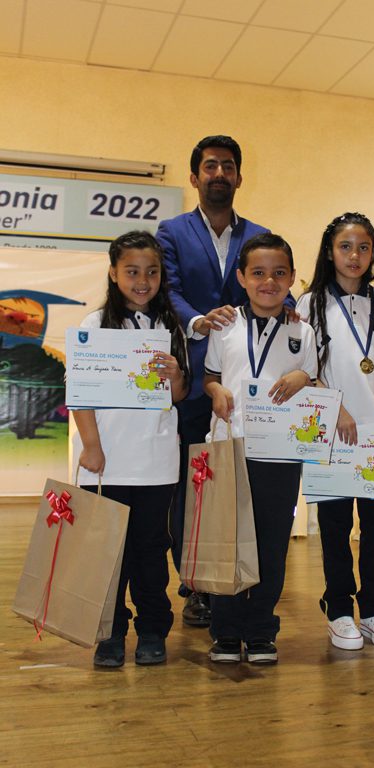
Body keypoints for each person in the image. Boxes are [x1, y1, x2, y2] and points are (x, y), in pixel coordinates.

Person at [156, 135, 270, 627]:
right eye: (210, 166)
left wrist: (288, 307)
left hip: (244, 384)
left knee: (241, 481)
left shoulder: (260, 234)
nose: (219, 173)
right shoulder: (171, 231)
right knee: (192, 484)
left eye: (227, 166)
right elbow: (167, 288)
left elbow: (274, 287)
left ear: (239, 176)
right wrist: (198, 321)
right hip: (190, 377)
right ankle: (195, 583)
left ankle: (243, 574)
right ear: (194, 176)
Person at [296, 212, 374, 651]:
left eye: (364, 247)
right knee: (334, 525)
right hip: (333, 429)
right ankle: (340, 608)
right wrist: (335, 408)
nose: (355, 255)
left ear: (373, 253)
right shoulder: (309, 304)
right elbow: (304, 369)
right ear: (330, 252)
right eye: (345, 246)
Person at [72, 231, 189, 668]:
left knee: (150, 550)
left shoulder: (170, 326)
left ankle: (153, 630)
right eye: (132, 271)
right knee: (109, 554)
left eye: (152, 272)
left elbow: (178, 395)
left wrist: (175, 375)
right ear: (113, 273)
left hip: (156, 464)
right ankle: (110, 632)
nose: (143, 281)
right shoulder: (94, 325)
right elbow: (79, 394)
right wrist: (92, 447)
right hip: (105, 463)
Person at [204, 233, 318, 664]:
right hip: (230, 447)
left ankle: (260, 631)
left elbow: (314, 379)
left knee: (271, 543)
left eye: (278, 273)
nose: (268, 281)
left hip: (280, 454)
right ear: (241, 277)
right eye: (258, 273)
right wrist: (215, 390)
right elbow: (210, 375)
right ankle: (226, 632)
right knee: (228, 541)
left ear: (291, 278)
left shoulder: (302, 330)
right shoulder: (224, 325)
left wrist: (303, 378)